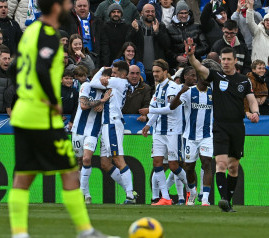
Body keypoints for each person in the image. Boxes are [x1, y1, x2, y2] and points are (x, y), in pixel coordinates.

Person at [8, 0, 118, 237]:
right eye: (66, 2)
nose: (69, 5)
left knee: (24, 175)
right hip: (41, 116)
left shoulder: (31, 31)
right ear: (56, 6)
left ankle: (19, 233)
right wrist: (52, 99)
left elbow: (14, 66)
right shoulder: (48, 35)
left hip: (23, 113)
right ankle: (85, 230)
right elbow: (40, 68)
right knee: (69, 171)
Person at [186, 37, 260, 212]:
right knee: (220, 164)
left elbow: (252, 100)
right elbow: (199, 67)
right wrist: (191, 56)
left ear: (235, 61)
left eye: (228, 59)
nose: (225, 62)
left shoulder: (243, 80)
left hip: (237, 127)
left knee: (233, 167)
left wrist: (255, 112)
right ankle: (224, 200)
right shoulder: (216, 77)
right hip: (219, 126)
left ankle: (228, 200)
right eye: (223, 59)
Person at [140, 59, 192, 205]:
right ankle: (166, 198)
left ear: (165, 72)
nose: (155, 74)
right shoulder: (158, 88)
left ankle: (191, 189)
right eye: (154, 71)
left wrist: (150, 110)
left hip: (173, 130)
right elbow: (157, 109)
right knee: (157, 162)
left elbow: (170, 108)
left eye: (157, 71)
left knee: (174, 165)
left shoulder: (172, 87)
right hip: (158, 131)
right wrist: (149, 125)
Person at [90, 61, 138, 204]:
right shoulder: (118, 83)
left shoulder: (119, 82)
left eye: (115, 72)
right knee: (105, 163)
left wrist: (102, 69)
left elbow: (93, 83)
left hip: (112, 123)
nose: (112, 74)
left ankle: (130, 195)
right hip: (107, 124)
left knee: (118, 159)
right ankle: (130, 191)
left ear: (123, 74)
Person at [169, 67, 214, 206]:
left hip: (207, 135)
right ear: (200, 77)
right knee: (189, 167)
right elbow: (172, 107)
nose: (209, 79)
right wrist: (179, 93)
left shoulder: (213, 93)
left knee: (207, 163)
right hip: (190, 136)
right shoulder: (189, 92)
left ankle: (205, 198)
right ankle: (193, 191)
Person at [72, 69, 112, 204]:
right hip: (78, 129)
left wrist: (104, 103)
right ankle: (86, 193)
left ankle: (82, 194)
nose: (105, 79)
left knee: (87, 159)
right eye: (103, 76)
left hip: (94, 130)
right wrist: (101, 101)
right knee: (78, 162)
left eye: (108, 77)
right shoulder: (86, 86)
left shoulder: (110, 91)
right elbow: (83, 105)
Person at [127, 3, 170, 86]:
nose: (150, 13)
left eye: (152, 11)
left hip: (157, 70)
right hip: (140, 69)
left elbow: (167, 45)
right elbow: (128, 43)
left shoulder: (161, 26)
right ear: (141, 13)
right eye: (147, 11)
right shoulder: (135, 25)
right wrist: (134, 30)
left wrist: (157, 32)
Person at [61, 0, 106, 67]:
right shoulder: (67, 20)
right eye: (79, 6)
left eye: (84, 6)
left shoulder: (97, 21)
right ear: (74, 7)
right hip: (74, 58)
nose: (82, 8)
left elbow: (104, 43)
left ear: (89, 7)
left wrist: (104, 63)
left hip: (94, 58)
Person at [166, 0, 209, 69]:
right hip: (177, 65)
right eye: (181, 13)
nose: (184, 15)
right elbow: (167, 49)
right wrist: (176, 57)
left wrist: (192, 54)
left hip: (195, 62)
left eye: (186, 13)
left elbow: (205, 46)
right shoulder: (169, 29)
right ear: (177, 14)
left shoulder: (197, 27)